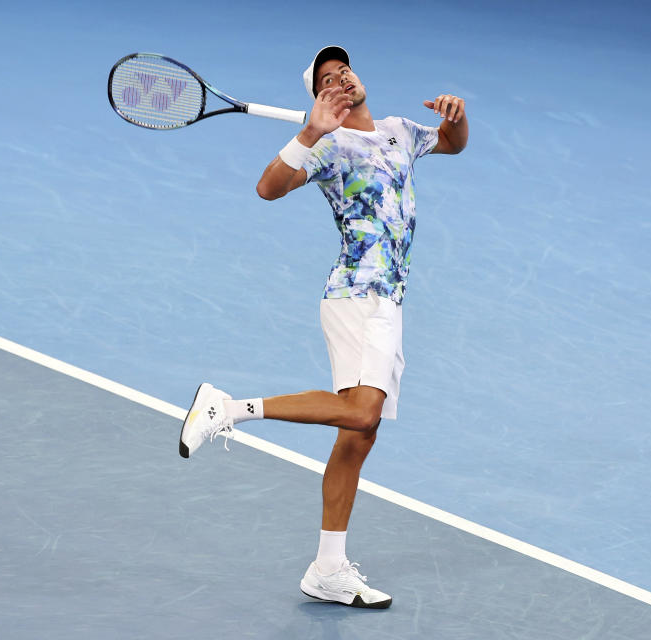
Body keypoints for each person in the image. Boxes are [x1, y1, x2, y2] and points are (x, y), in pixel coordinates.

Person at [179, 45, 467, 609]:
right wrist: (310, 133)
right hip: (357, 295)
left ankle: (327, 569)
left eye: (344, 71)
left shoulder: (400, 131)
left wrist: (457, 120)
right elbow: (268, 187)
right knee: (361, 411)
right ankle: (229, 408)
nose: (341, 79)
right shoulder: (328, 148)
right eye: (326, 81)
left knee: (358, 438)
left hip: (388, 300)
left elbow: (452, 144)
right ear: (319, 101)